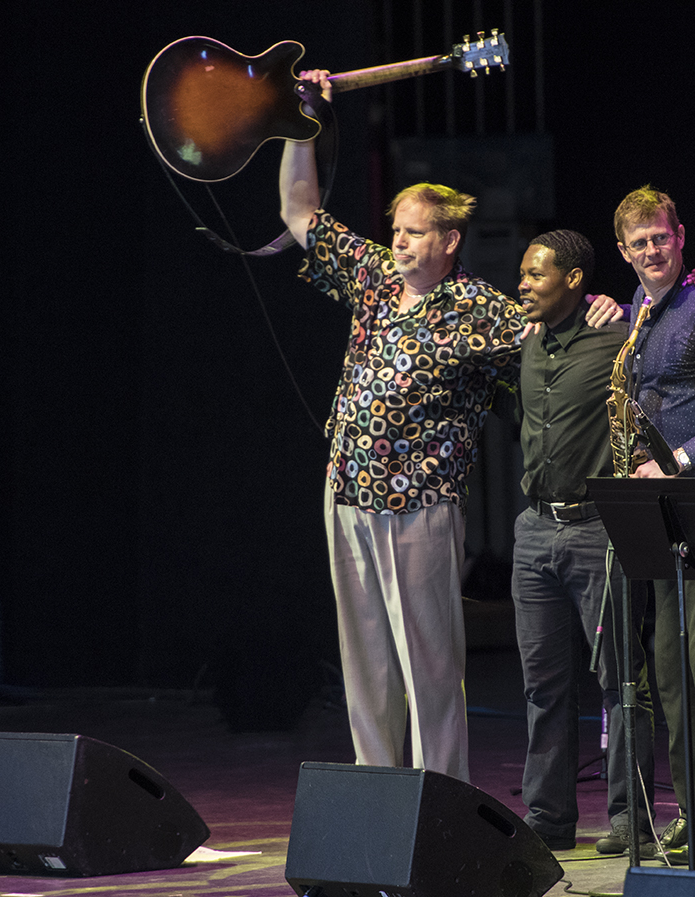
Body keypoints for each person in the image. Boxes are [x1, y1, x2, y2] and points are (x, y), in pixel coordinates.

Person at [277, 70, 525, 781]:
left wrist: (603, 311)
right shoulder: (376, 281)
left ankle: (441, 800)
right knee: (367, 665)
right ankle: (378, 800)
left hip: (420, 505)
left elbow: (546, 345)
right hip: (348, 495)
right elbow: (300, 213)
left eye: (414, 233)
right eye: (396, 231)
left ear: (450, 239)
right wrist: (302, 123)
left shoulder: (475, 306)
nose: (401, 243)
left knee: (429, 664)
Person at [609, 186, 695, 865]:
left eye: (660, 238)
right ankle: (693, 811)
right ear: (624, 251)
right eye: (638, 243)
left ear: (679, 234)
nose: (651, 250)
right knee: (670, 670)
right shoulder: (639, 313)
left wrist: (683, 461)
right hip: (659, 510)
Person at [510, 229, 656, 854]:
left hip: (598, 528)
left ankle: (630, 817)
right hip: (534, 529)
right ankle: (547, 818)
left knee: (620, 679)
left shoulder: (614, 340)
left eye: (536, 275)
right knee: (544, 684)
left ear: (574, 281)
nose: (523, 285)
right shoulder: (525, 340)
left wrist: (619, 310)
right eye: (522, 274)